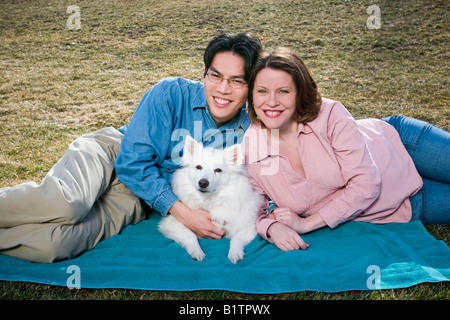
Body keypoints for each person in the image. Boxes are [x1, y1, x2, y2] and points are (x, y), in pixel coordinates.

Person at [0, 32, 262, 262]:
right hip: (113, 153)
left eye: (237, 81)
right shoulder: (170, 93)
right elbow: (132, 161)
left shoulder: (251, 131)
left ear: (250, 87)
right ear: (204, 74)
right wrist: (182, 212)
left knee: (55, 245)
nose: (223, 89)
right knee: (67, 205)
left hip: (138, 197)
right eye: (215, 76)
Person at [241, 47, 450, 252]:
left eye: (283, 91)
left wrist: (306, 224)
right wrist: (272, 227)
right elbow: (255, 210)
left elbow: (365, 183)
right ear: (252, 96)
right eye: (262, 91)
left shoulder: (329, 114)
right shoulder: (253, 146)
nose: (272, 102)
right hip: (404, 201)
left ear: (299, 93)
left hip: (404, 144)